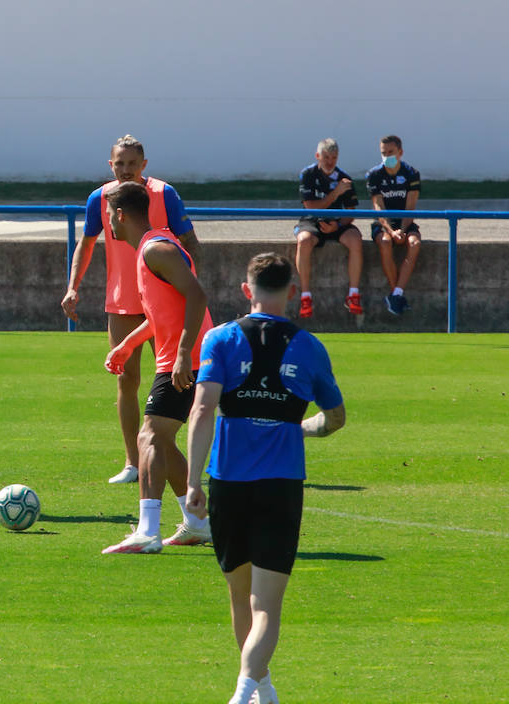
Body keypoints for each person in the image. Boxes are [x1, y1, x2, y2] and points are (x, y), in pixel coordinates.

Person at [183, 252, 346, 704]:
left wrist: (194, 482)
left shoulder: (220, 339)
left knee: (240, 598)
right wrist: (301, 427)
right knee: (265, 607)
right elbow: (335, 418)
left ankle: (252, 690)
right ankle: (255, 689)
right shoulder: (310, 347)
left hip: (228, 484)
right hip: (281, 485)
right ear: (292, 292)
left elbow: (201, 409)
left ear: (245, 291)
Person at [61, 134, 200, 485]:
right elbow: (86, 244)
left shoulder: (164, 194)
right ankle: (133, 461)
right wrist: (72, 287)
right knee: (126, 378)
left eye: (131, 164)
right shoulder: (100, 198)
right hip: (122, 301)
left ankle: (177, 451)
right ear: (111, 165)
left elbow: (189, 241)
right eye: (119, 164)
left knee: (180, 377)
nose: (125, 170)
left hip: (163, 302)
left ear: (144, 165)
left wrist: (190, 284)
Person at [100, 181, 213, 554]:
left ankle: (148, 531)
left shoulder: (157, 249)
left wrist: (182, 354)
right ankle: (197, 523)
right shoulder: (151, 249)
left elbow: (197, 295)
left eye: (108, 218)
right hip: (181, 359)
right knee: (161, 440)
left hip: (185, 361)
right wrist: (126, 344)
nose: (108, 228)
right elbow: (160, 313)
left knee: (148, 436)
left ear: (119, 215)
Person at [294, 138, 363, 318]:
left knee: (355, 239)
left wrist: (337, 225)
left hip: (336, 222)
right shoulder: (308, 174)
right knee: (304, 240)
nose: (330, 161)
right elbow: (311, 207)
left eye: (333, 157)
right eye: (326, 157)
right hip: (312, 220)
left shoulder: (345, 179)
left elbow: (351, 213)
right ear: (318, 156)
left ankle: (353, 294)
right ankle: (305, 296)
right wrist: (336, 193)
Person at [365, 135, 423, 316]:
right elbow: (378, 206)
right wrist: (391, 231)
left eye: (390, 152)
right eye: (383, 153)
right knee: (385, 242)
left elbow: (410, 207)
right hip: (384, 223)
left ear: (400, 152)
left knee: (414, 244)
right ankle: (395, 293)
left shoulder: (411, 173)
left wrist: (403, 230)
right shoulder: (374, 175)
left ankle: (396, 294)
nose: (386, 156)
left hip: (405, 221)